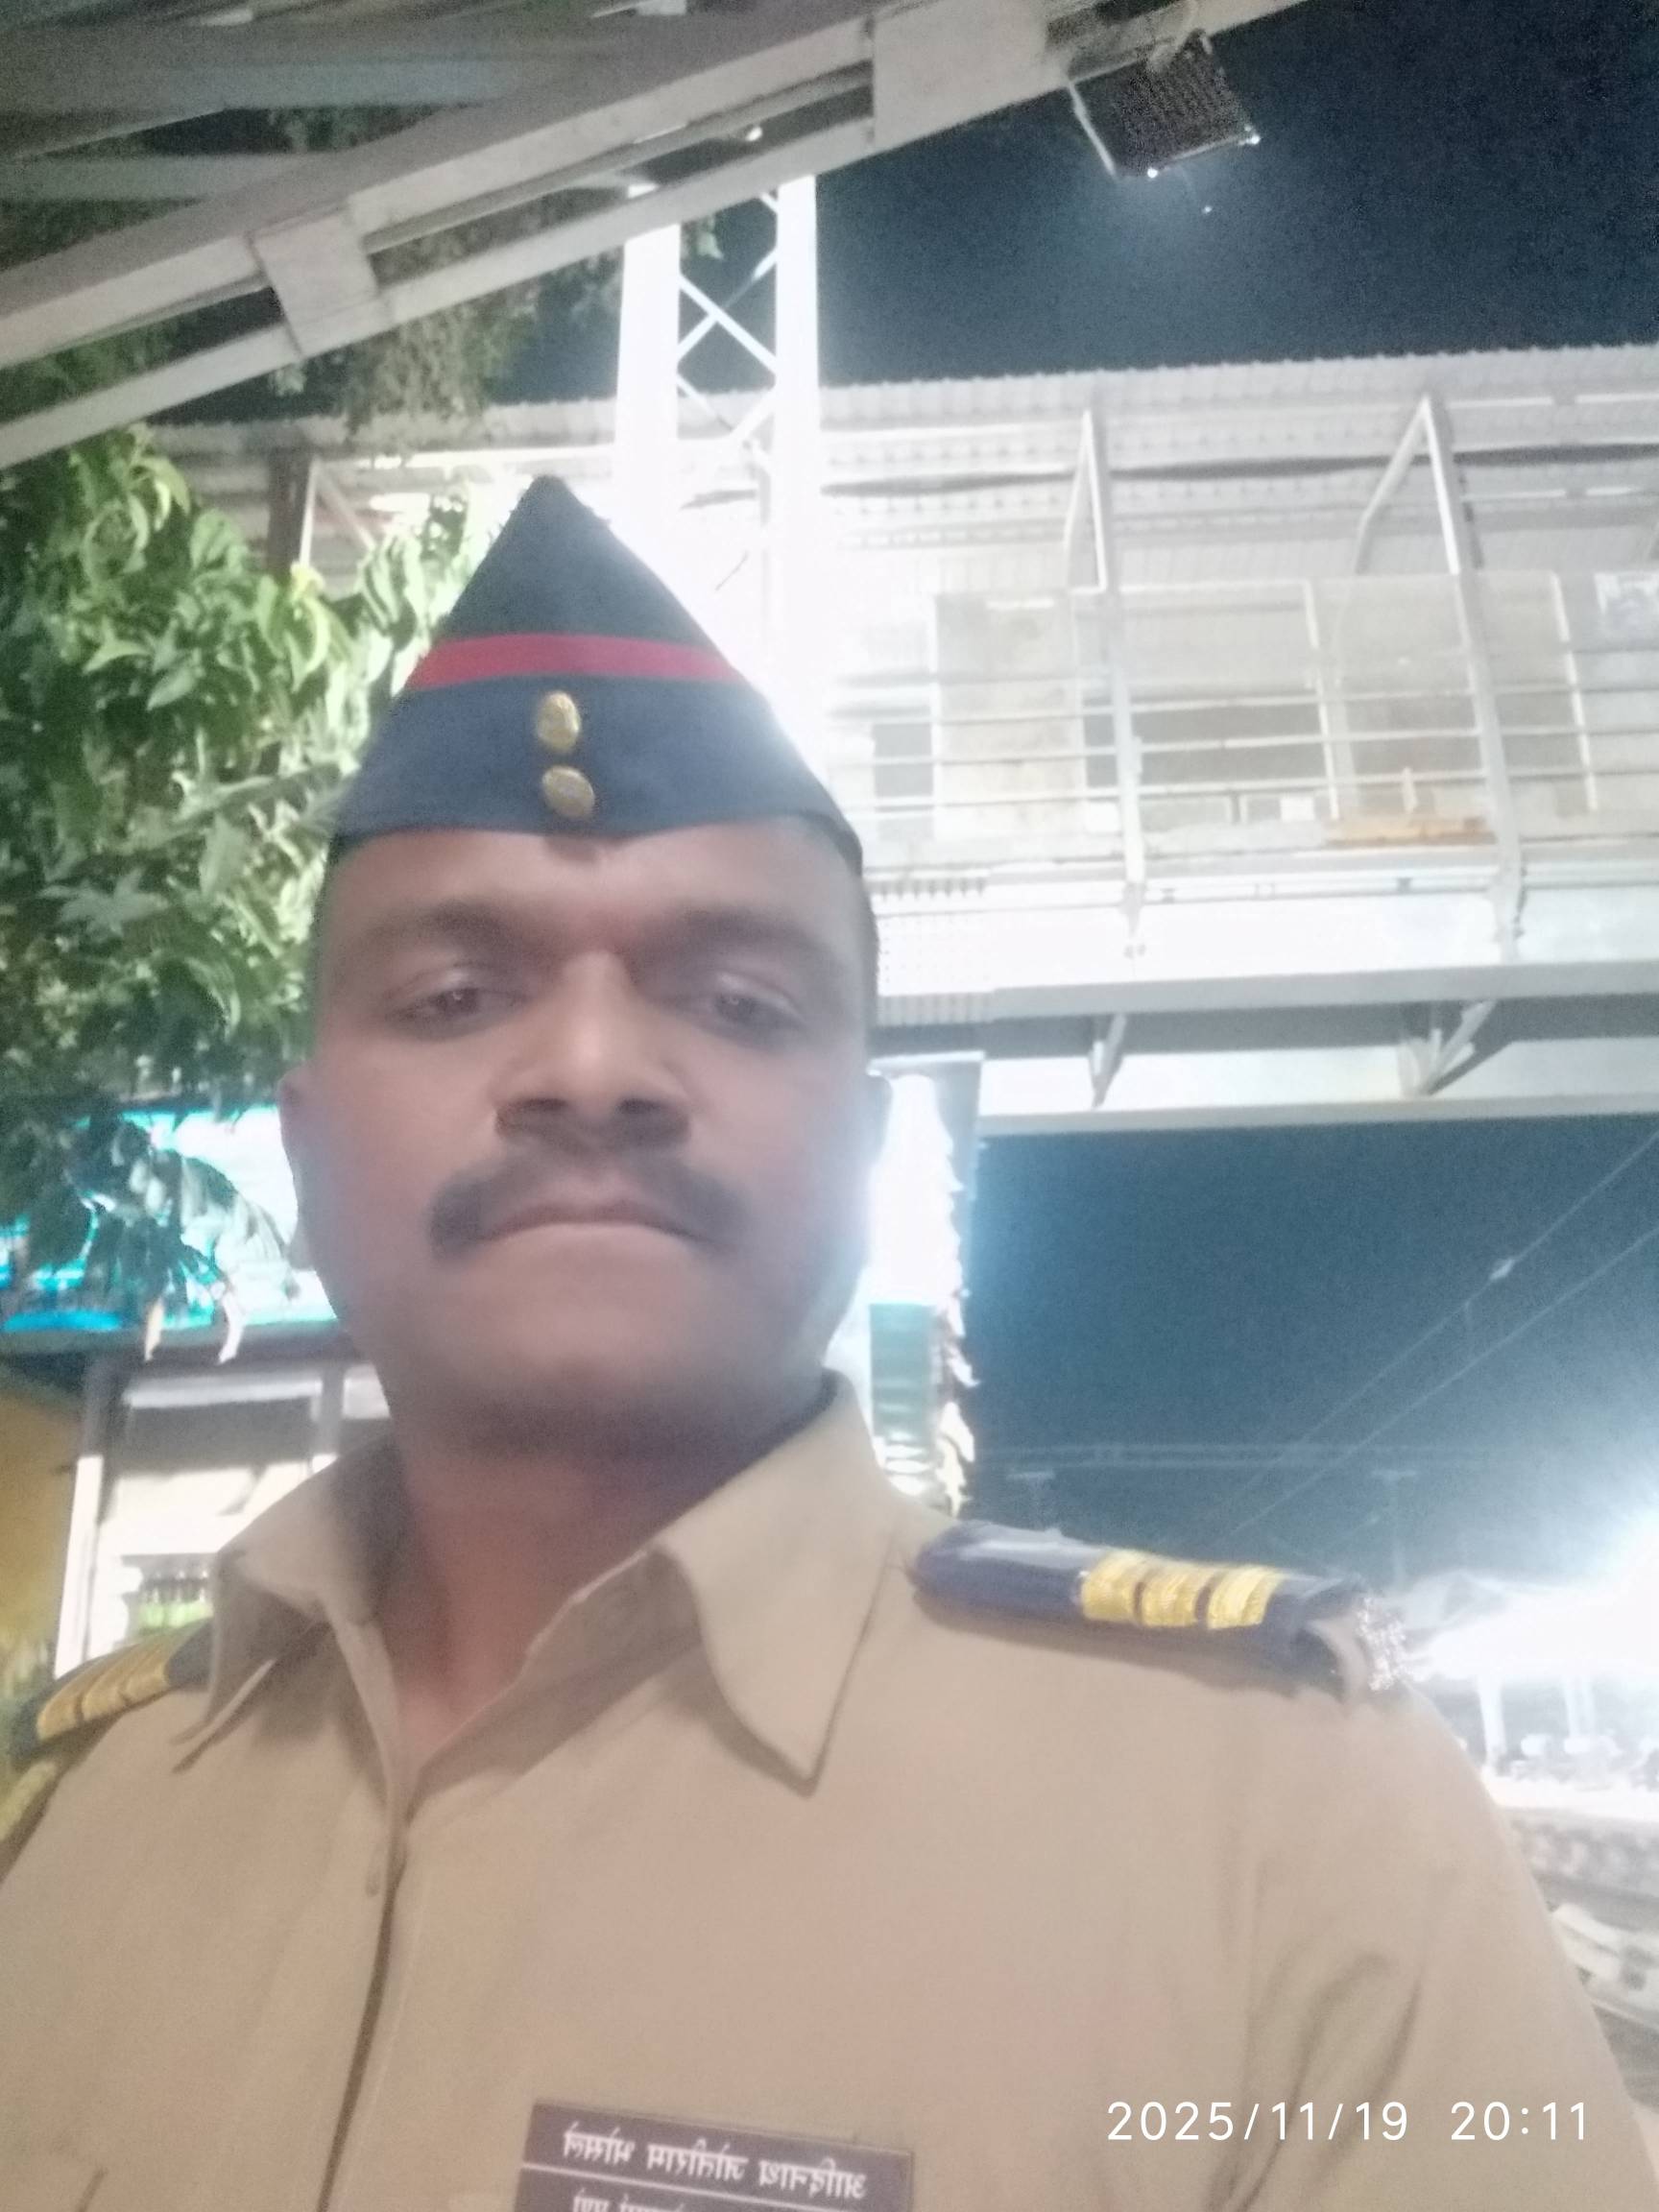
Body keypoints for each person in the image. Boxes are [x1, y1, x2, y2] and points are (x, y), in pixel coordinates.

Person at [1, 480, 1653, 2212]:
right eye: (453, 997)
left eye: (738, 1002)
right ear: (308, 1152)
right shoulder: (70, 1814)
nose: (591, 1073)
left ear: (868, 1157)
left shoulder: (1304, 1845)